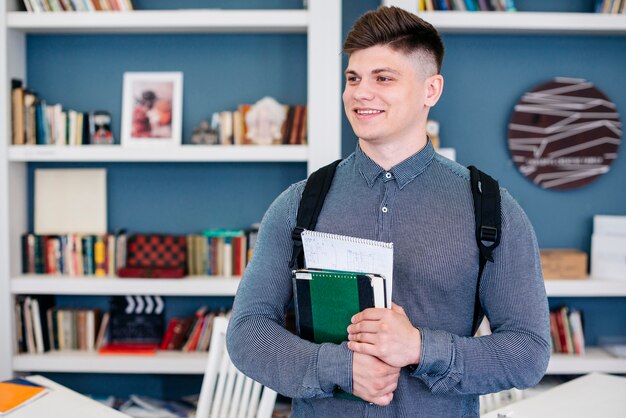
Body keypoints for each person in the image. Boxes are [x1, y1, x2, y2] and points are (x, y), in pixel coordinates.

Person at [227, 6, 550, 417]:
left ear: (430, 90)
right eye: (353, 78)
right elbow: (247, 333)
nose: (361, 92)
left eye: (383, 78)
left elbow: (528, 351)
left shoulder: (490, 208)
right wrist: (340, 367)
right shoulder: (298, 202)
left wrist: (419, 347)